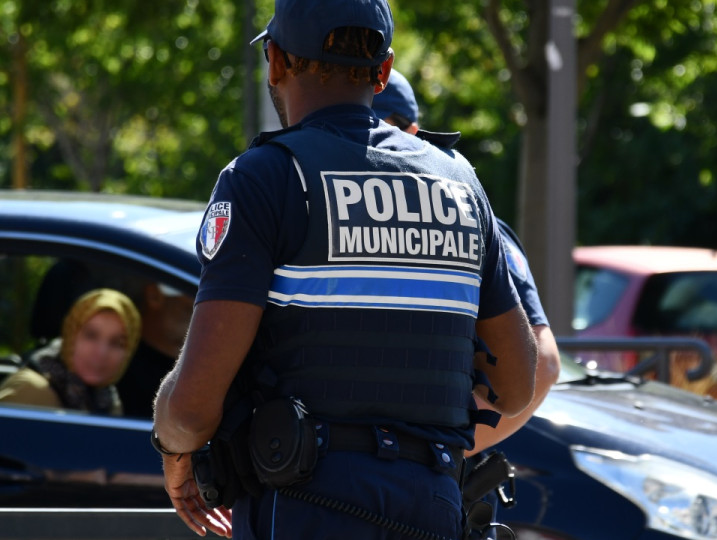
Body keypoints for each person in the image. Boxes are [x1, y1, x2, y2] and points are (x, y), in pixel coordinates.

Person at [151, 1, 538, 538]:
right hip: (433, 505)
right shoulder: (459, 182)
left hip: (304, 505)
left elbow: (193, 407)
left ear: (277, 62)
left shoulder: (264, 177)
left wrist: (175, 450)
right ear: (383, 72)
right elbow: (517, 385)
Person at [372, 70, 562, 452]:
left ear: (411, 132)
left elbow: (543, 363)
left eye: (377, 126)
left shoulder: (467, 217)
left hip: (438, 479)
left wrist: (443, 448)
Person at [0, 288, 141, 416]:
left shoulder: (108, 401)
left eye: (116, 343)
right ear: (71, 336)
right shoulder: (31, 390)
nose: (102, 352)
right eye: (91, 335)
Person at [117, 282, 195, 418]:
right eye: (194, 291)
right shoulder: (118, 370)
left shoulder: (202, 369)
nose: (205, 304)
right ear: (153, 296)